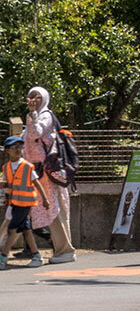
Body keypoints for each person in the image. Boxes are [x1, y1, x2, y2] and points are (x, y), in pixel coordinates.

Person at [22, 86, 75, 263]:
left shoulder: (44, 116)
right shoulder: (32, 116)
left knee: (54, 211)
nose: (33, 100)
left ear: (44, 98)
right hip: (40, 172)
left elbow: (36, 133)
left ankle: (65, 251)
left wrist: (33, 114)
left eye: (37, 97)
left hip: (47, 172)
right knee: (51, 210)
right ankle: (62, 250)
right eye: (31, 96)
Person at [2, 136, 45, 266]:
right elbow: (10, 184)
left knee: (12, 230)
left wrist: (46, 199)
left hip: (25, 204)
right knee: (26, 231)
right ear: (7, 150)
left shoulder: (27, 166)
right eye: (15, 147)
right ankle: (37, 257)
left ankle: (2, 257)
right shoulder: (6, 167)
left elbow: (37, 183)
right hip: (15, 203)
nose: (18, 149)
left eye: (20, 147)